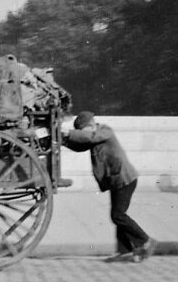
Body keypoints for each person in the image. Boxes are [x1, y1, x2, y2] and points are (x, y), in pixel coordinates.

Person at [63, 111, 157, 262]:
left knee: (118, 215)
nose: (82, 134)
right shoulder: (93, 134)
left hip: (125, 179)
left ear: (91, 125)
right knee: (118, 215)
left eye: (82, 130)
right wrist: (63, 140)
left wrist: (70, 133)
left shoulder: (105, 131)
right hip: (116, 180)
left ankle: (146, 241)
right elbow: (81, 145)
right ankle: (126, 250)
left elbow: (90, 137)